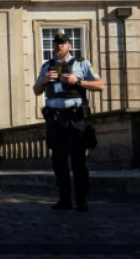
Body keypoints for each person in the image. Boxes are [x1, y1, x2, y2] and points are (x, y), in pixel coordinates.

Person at [33, 33, 104, 212]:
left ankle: (81, 200)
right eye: (56, 43)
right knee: (59, 161)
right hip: (55, 119)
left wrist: (77, 81)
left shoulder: (82, 63)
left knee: (78, 161)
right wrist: (44, 81)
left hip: (75, 118)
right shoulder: (47, 66)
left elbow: (100, 85)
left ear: (69, 46)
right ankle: (64, 199)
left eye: (62, 43)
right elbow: (36, 90)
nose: (59, 46)